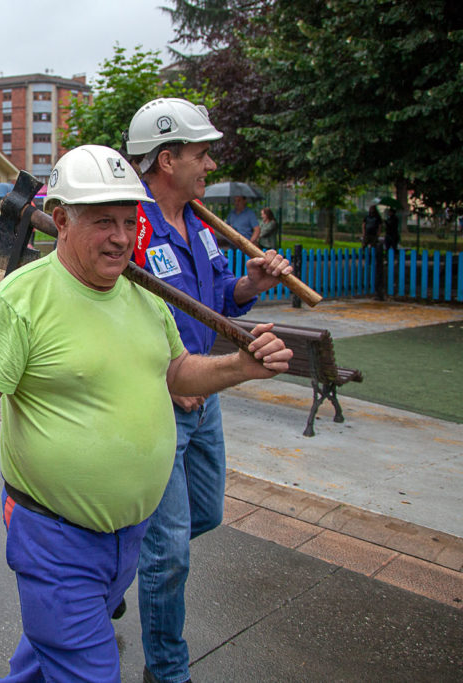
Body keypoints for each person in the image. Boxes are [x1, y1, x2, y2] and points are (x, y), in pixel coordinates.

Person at [0, 145, 292, 682]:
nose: (122, 237)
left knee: (45, 663)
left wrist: (240, 366)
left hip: (127, 539)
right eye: (103, 221)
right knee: (90, 672)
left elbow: (175, 372)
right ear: (59, 221)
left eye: (128, 222)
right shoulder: (19, 303)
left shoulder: (146, 295)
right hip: (55, 540)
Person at [125, 97, 294, 683]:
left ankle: (125, 563)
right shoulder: (130, 226)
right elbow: (118, 319)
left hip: (206, 400)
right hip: (158, 402)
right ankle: (166, 670)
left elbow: (220, 298)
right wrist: (167, 380)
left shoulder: (199, 225)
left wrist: (251, 282)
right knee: (169, 551)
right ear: (167, 160)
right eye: (201, 153)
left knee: (205, 514)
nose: (210, 165)